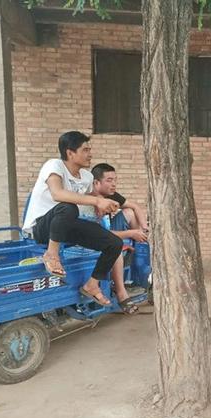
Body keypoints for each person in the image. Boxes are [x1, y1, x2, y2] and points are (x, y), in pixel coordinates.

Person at [22, 131, 122, 306]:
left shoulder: (87, 177)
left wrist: (103, 203)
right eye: (85, 150)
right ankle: (51, 255)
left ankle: (92, 285)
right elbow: (58, 194)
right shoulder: (54, 165)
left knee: (114, 243)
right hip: (41, 228)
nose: (90, 154)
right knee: (68, 207)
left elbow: (89, 195)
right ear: (70, 153)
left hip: (65, 226)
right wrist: (97, 201)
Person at [83, 163, 149, 314]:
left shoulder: (110, 195)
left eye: (115, 180)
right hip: (89, 237)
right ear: (96, 183)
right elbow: (100, 233)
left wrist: (143, 228)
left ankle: (138, 254)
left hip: (105, 230)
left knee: (129, 212)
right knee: (115, 246)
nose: (114, 184)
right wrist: (131, 233)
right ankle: (121, 292)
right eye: (109, 180)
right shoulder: (88, 201)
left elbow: (135, 207)